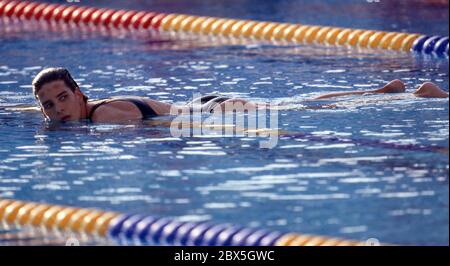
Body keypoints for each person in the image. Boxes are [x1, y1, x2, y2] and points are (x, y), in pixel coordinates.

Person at [32, 67, 449, 123]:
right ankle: (384, 91)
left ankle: (415, 97)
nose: (56, 110)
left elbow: (155, 133)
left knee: (307, 109)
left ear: (79, 93)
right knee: (300, 103)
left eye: (61, 99)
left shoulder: (102, 119)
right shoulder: (94, 109)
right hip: (204, 102)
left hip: (214, 112)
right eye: (48, 105)